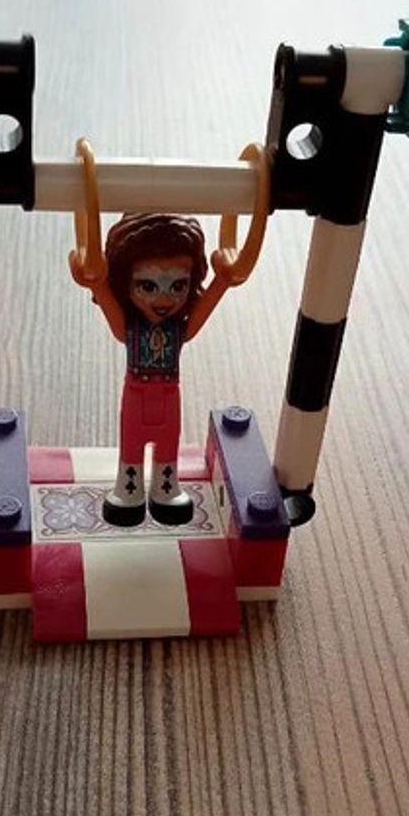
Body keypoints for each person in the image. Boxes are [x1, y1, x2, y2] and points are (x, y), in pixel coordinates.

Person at [69, 139, 267, 526]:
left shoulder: (178, 328)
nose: (164, 299)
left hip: (169, 395)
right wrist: (97, 283)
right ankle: (128, 490)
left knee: (167, 445)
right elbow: (114, 318)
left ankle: (165, 488)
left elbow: (197, 319)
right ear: (126, 282)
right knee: (131, 443)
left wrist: (223, 281)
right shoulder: (131, 328)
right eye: (147, 286)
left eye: (178, 285)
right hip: (136, 392)